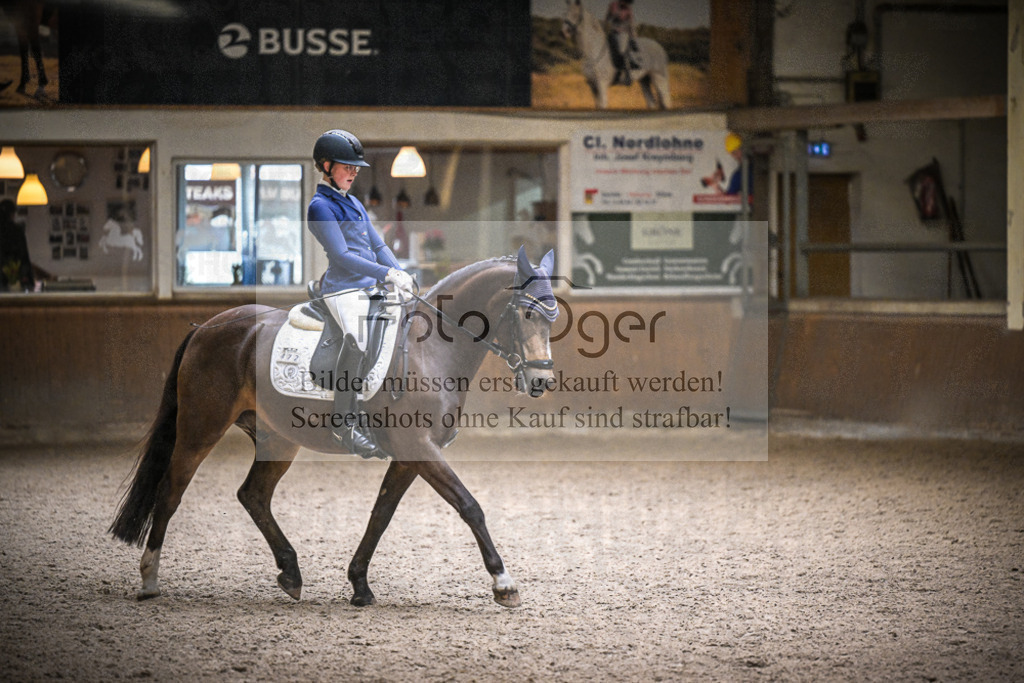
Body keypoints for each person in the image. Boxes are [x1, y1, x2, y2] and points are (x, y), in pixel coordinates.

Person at [307, 129, 415, 456]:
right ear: (325, 166)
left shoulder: (353, 202)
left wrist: (399, 272)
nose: (353, 172)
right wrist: (386, 273)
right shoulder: (320, 207)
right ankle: (344, 425)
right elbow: (341, 256)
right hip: (341, 289)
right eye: (346, 166)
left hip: (368, 285)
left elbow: (378, 244)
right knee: (359, 338)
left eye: (356, 167)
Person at [0, 198, 35, 292]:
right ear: (12, 214)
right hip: (14, 279)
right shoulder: (17, 231)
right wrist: (29, 281)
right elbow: (24, 257)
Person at [605, 0, 639, 86]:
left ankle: (626, 76)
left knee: (621, 51)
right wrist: (604, 28)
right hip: (612, 32)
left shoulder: (628, 9)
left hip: (623, 33)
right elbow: (607, 18)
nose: (627, 4)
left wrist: (634, 38)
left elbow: (631, 24)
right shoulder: (612, 5)